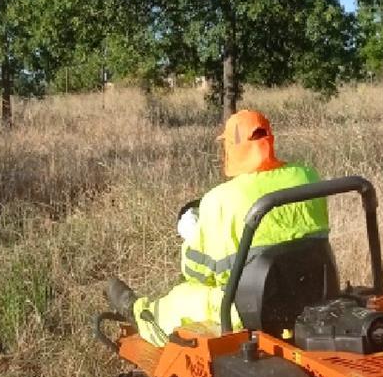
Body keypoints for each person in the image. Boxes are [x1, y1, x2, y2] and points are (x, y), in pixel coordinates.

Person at [106, 109, 329, 347]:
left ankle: (141, 315)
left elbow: (197, 272)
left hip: (248, 310)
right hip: (313, 293)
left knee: (181, 298)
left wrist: (193, 233)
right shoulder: (308, 177)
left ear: (232, 148)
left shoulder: (220, 200)